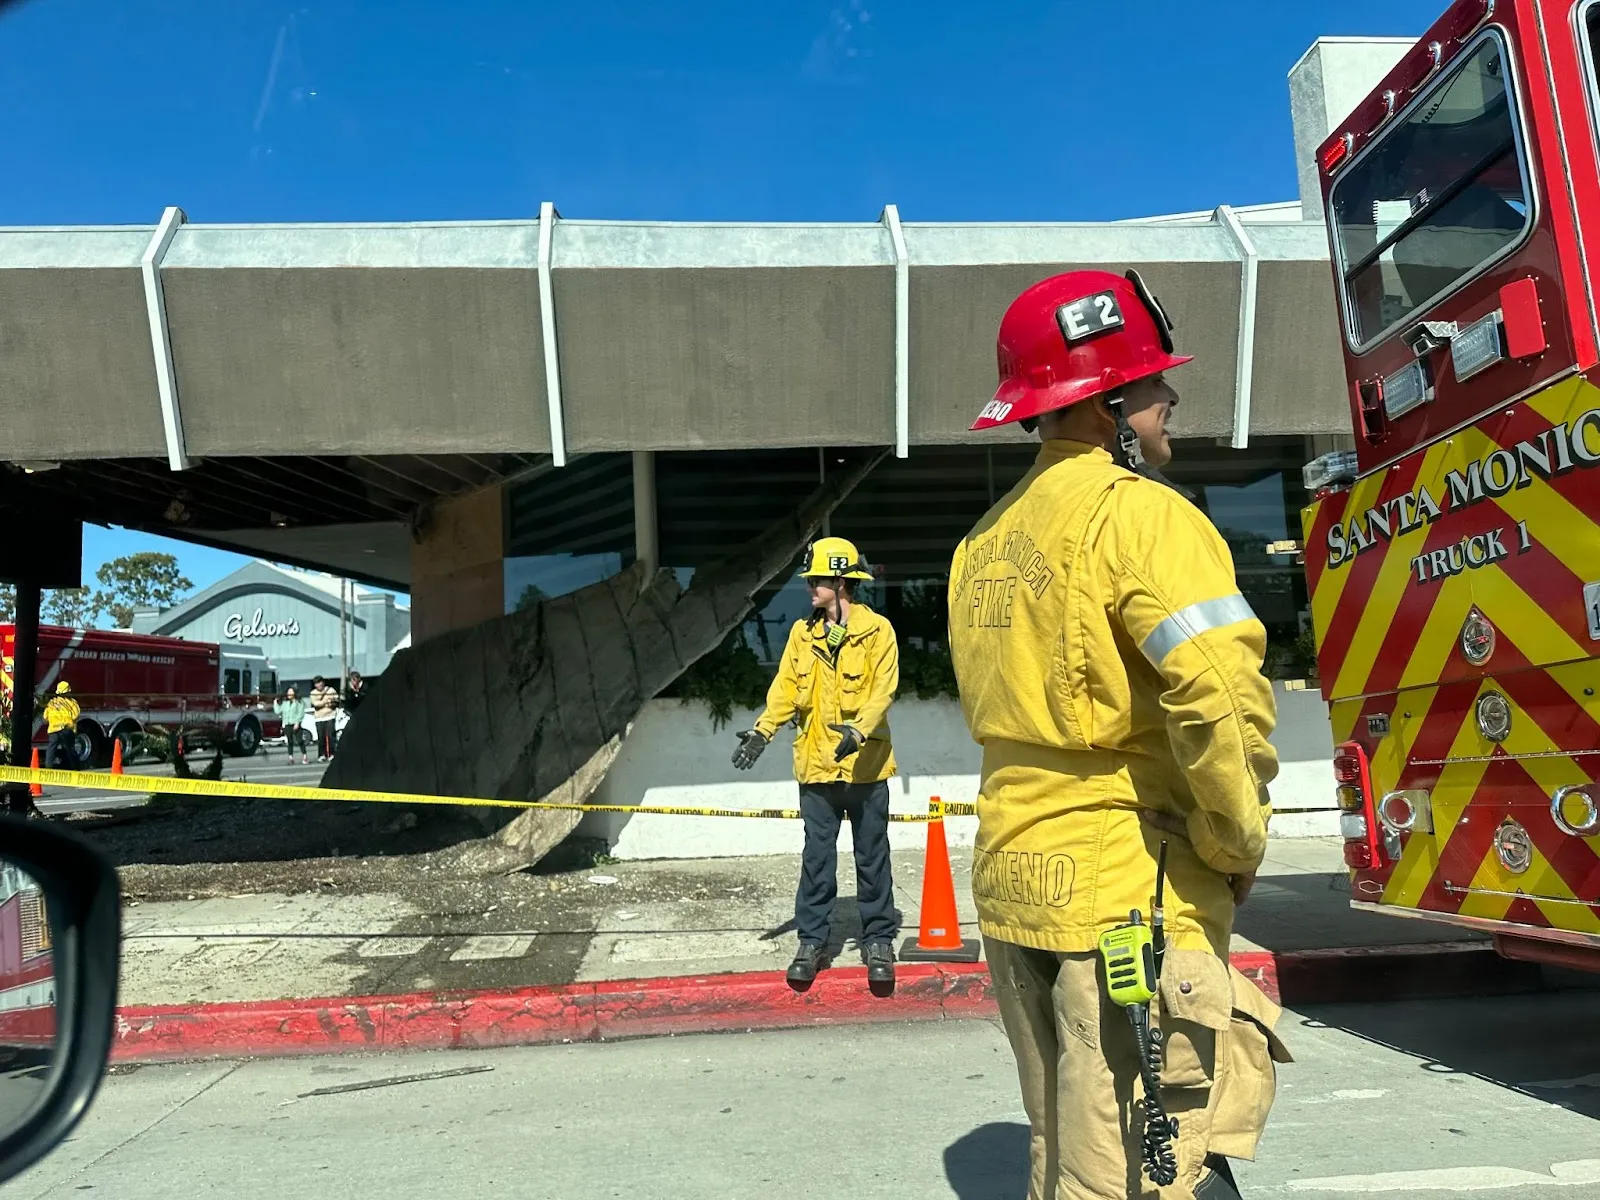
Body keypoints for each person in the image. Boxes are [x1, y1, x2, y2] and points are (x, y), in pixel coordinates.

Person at [948, 270, 1290, 1200]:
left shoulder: (982, 542)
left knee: (1069, 1138)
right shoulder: (1144, 518)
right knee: (1159, 1161)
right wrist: (1236, 841)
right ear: (1106, 406)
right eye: (1151, 384)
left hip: (1016, 879)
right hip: (1126, 887)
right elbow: (1219, 698)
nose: (1170, 397)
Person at [731, 537, 901, 986]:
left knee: (872, 858)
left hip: (865, 766)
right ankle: (812, 942)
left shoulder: (878, 631)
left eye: (817, 579)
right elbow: (785, 689)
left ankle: (878, 941)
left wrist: (858, 731)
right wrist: (762, 731)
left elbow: (884, 690)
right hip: (816, 766)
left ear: (841, 582)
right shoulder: (802, 635)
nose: (809, 586)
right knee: (817, 860)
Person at [42, 681, 80, 771]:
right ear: (68, 691)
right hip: (66, 729)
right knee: (70, 748)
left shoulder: (51, 703)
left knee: (51, 749)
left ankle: (48, 768)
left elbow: (45, 719)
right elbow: (76, 715)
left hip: (53, 730)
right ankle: (74, 768)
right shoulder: (72, 703)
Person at [308, 675, 341, 762]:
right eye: (317, 683)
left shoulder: (331, 690)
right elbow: (315, 704)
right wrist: (326, 701)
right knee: (321, 737)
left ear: (323, 682)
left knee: (331, 736)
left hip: (330, 715)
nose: (319, 684)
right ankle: (321, 754)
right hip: (319, 718)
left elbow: (335, 700)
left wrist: (325, 702)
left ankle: (332, 754)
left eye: (320, 682)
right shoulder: (313, 693)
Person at [274, 687, 310, 765]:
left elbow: (301, 712)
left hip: (295, 723)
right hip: (287, 724)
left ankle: (304, 756)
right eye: (288, 692)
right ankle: (291, 758)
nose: (289, 694)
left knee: (300, 740)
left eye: (291, 692)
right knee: (290, 741)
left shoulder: (299, 702)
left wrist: (297, 722)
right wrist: (275, 703)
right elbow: (278, 711)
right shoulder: (285, 703)